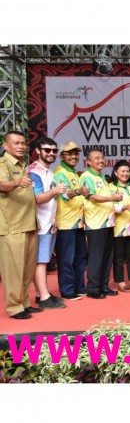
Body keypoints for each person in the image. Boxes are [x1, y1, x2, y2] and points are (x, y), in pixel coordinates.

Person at [0, 131, 39, 319]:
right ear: (5, 146)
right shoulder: (3, 163)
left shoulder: (24, 165)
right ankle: (14, 307)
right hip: (12, 226)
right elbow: (1, 185)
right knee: (13, 270)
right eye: (16, 143)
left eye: (23, 143)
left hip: (29, 223)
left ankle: (24, 302)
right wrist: (17, 181)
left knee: (27, 269)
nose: (21, 146)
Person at [28, 137, 68, 310]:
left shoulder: (49, 171)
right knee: (41, 261)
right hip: (39, 223)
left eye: (54, 150)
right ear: (38, 151)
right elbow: (37, 198)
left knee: (43, 260)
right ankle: (44, 297)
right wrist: (54, 191)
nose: (51, 153)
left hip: (49, 222)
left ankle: (41, 294)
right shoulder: (34, 171)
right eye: (47, 150)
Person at [81, 150, 123, 298]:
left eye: (102, 158)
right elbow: (92, 197)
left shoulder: (101, 177)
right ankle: (93, 288)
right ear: (88, 162)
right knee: (96, 257)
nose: (101, 160)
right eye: (97, 158)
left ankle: (104, 286)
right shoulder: (87, 176)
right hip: (96, 224)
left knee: (107, 257)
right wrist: (112, 198)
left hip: (108, 222)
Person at [53, 141, 90, 301]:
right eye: (69, 153)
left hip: (78, 222)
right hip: (66, 223)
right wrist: (78, 191)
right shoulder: (60, 173)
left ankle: (78, 287)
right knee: (67, 259)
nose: (74, 156)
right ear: (62, 156)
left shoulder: (73, 172)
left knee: (80, 256)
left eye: (76, 153)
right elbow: (65, 195)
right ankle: (67, 290)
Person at [109, 160, 130, 293]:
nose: (125, 173)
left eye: (128, 171)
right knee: (119, 258)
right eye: (122, 171)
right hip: (118, 228)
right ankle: (121, 282)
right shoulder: (111, 187)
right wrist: (123, 208)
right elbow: (109, 206)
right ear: (116, 173)